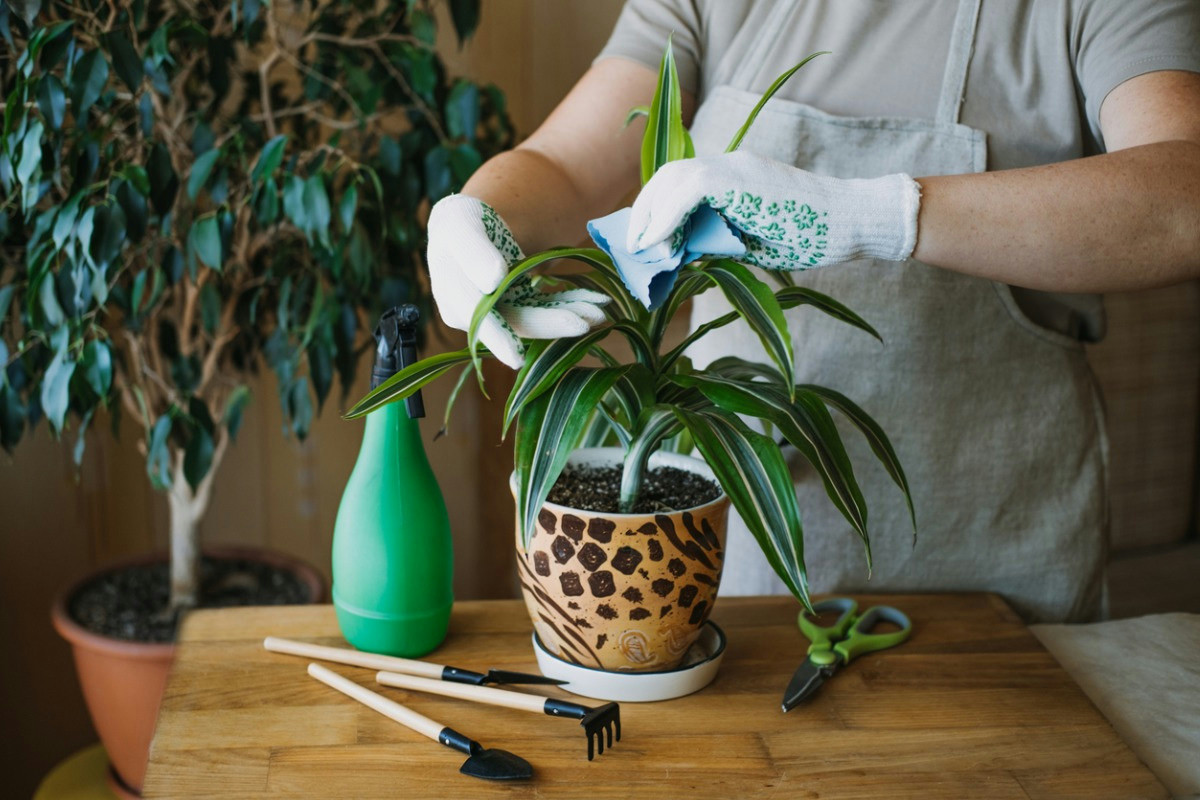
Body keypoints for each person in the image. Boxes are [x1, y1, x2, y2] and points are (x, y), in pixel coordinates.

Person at [426, 0, 1200, 623]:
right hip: (751, 548)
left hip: (1002, 562)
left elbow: (1184, 196)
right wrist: (480, 212)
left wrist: (878, 216)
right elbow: (564, 166)